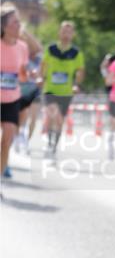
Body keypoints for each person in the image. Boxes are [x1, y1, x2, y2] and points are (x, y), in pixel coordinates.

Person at [40, 21, 85, 157]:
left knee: (59, 121)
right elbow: (43, 65)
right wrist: (41, 78)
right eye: (64, 31)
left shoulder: (76, 53)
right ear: (59, 32)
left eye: (69, 32)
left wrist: (76, 84)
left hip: (66, 92)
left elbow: (80, 71)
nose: (66, 34)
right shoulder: (51, 49)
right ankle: (49, 144)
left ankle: (53, 146)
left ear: (73, 35)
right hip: (50, 89)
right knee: (53, 115)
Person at [1, 5, 29, 180]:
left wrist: (30, 75)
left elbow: (22, 74)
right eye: (15, 22)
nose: (19, 25)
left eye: (19, 22)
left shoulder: (22, 47)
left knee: (7, 140)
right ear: (4, 26)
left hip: (12, 98)